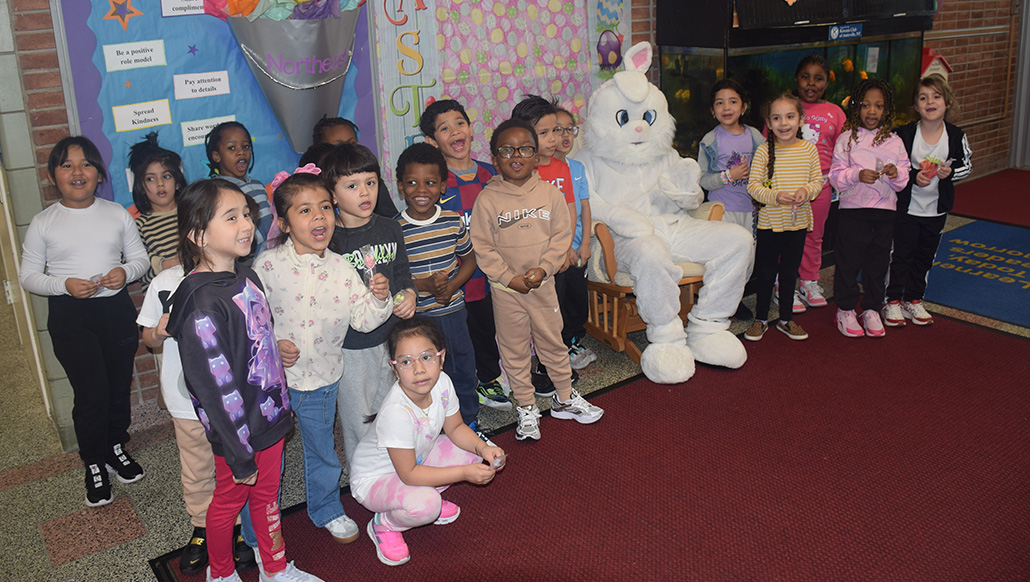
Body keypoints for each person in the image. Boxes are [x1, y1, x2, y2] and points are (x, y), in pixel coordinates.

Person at [166, 179, 324, 582]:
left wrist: (278, 368)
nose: (247, 225)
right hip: (237, 433)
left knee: (268, 497)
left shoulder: (248, 278)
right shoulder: (201, 303)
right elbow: (213, 389)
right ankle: (220, 574)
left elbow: (258, 343)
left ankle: (274, 568)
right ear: (198, 234)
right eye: (231, 217)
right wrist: (238, 453)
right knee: (227, 502)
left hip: (268, 419)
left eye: (248, 215)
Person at [255, 169, 392, 545]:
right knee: (268, 460)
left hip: (323, 378)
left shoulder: (342, 268)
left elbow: (363, 321)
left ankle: (327, 508)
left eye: (326, 208)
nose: (319, 217)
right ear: (283, 222)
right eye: (305, 210)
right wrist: (272, 344)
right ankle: (256, 525)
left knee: (322, 451)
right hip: (273, 382)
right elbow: (251, 322)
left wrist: (379, 297)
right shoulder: (265, 267)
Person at [19, 136, 149, 507]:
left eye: (85, 164)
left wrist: (123, 272)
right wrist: (63, 285)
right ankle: (93, 461)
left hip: (116, 312)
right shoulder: (44, 222)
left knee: (117, 385)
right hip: (71, 317)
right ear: (53, 176)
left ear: (98, 173)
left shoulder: (116, 213)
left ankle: (114, 447)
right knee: (91, 392)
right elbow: (28, 276)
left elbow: (139, 259)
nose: (77, 172)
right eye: (67, 165)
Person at [470, 118, 604, 441]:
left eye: (525, 149)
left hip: (543, 286)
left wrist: (544, 269)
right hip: (506, 291)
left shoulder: (548, 194)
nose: (516, 155)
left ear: (535, 155)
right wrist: (507, 277)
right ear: (495, 156)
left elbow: (561, 236)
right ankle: (527, 407)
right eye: (507, 150)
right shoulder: (488, 199)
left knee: (552, 342)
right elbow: (483, 246)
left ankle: (564, 397)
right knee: (514, 350)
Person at [350, 317, 505, 566]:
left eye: (426, 357)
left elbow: (455, 427)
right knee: (427, 505)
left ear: (441, 358)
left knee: (472, 452)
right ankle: (385, 524)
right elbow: (409, 475)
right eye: (406, 362)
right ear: (394, 368)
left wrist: (484, 447)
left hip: (415, 460)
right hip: (376, 479)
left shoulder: (442, 383)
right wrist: (464, 473)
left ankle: (425, 497)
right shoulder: (396, 412)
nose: (419, 370)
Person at [324, 143, 418, 468]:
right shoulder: (329, 240)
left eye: (371, 182)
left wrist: (408, 295)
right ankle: (364, 477)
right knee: (357, 418)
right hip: (351, 346)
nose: (364, 192)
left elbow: (403, 273)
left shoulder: (390, 227)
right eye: (352, 186)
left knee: (393, 407)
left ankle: (396, 468)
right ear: (332, 195)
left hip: (392, 338)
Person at [419, 99, 509, 415]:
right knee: (458, 338)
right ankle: (454, 389)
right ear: (432, 142)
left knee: (487, 330)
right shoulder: (434, 186)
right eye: (444, 128)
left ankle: (489, 378)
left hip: (494, 276)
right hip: (457, 280)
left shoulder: (491, 174)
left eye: (460, 123)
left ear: (471, 129)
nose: (455, 131)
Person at [394, 143, 482, 432]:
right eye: (412, 182)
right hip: (417, 320)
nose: (422, 190)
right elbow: (397, 278)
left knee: (462, 366)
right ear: (400, 186)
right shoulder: (395, 230)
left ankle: (468, 420)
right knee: (423, 374)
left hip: (454, 311)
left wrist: (452, 286)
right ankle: (428, 427)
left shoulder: (452, 221)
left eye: (430, 182)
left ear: (443, 186)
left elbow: (469, 260)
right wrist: (425, 286)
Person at [884, 74, 971, 327]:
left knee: (925, 256)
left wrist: (950, 173)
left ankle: (914, 299)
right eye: (923, 97)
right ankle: (891, 301)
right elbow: (894, 167)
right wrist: (913, 176)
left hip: (936, 209)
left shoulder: (955, 136)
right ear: (916, 105)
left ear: (947, 102)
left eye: (936, 96)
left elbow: (967, 166)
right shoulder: (904, 134)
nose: (929, 102)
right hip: (907, 208)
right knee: (901, 254)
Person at [829, 79, 911, 338]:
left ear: (887, 110)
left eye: (878, 106)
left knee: (877, 262)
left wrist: (895, 172)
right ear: (856, 107)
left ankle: (873, 307)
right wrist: (856, 175)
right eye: (865, 105)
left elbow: (904, 179)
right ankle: (845, 308)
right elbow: (835, 175)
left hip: (885, 212)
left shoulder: (895, 142)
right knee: (848, 260)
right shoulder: (846, 139)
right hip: (853, 210)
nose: (872, 111)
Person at [510, 95, 580, 394]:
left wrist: (565, 248)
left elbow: (569, 211)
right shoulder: (517, 171)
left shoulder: (560, 167)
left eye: (557, 131)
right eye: (545, 132)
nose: (554, 139)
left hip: (556, 257)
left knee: (555, 313)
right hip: (528, 259)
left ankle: (554, 365)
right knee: (530, 317)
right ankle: (531, 369)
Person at [744, 94, 823, 342]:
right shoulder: (763, 152)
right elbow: (753, 187)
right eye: (777, 118)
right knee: (766, 272)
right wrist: (776, 196)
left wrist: (806, 192)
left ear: (801, 120)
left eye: (790, 116)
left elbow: (817, 182)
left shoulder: (809, 149)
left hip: (797, 222)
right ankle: (761, 319)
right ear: (769, 122)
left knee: (789, 273)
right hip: (770, 223)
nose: (784, 123)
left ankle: (787, 319)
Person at [697, 79, 764, 318]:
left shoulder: (755, 136)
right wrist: (728, 176)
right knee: (724, 257)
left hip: (749, 209)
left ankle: (735, 299)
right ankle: (718, 302)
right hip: (722, 210)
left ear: (744, 107)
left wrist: (763, 193)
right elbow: (703, 178)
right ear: (713, 111)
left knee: (748, 259)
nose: (727, 107)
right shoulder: (709, 140)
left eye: (733, 101)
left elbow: (766, 167)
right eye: (720, 103)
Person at [791, 55, 847, 312]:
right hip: (788, 186)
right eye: (805, 77)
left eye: (818, 78)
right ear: (796, 80)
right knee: (787, 235)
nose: (811, 83)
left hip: (821, 187)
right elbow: (768, 146)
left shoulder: (835, 113)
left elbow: (843, 150)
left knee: (814, 236)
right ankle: (785, 283)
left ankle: (809, 281)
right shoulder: (786, 107)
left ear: (827, 82)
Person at [552, 105, 598, 369]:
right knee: (557, 299)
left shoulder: (577, 167)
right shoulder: (540, 170)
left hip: (579, 248)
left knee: (578, 298)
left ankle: (574, 340)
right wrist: (565, 247)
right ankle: (560, 346)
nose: (565, 136)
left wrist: (584, 244)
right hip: (557, 252)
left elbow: (585, 207)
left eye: (570, 129)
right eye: (558, 130)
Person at [128, 132, 187, 290]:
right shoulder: (139, 225)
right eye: (150, 179)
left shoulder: (191, 213)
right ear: (141, 187)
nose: (160, 184)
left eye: (166, 177)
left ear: (177, 183)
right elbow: (136, 260)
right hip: (163, 298)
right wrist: (162, 264)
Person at [312, 115, 399, 218]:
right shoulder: (313, 187)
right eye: (338, 146)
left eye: (352, 143)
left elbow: (391, 217)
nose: (346, 150)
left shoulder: (371, 180)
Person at [205, 121, 272, 253]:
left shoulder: (257, 184)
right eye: (231, 148)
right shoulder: (219, 190)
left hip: (271, 251)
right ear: (216, 156)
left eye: (246, 147)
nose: (241, 152)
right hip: (246, 254)